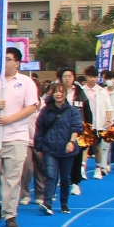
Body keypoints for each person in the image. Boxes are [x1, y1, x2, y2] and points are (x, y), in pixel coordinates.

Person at [0, 47, 41, 227]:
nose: (4, 62)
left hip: (17, 136)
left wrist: (10, 119)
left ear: (17, 63)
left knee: (13, 177)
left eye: (8, 59)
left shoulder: (26, 82)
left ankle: (10, 214)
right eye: (2, 58)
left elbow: (31, 107)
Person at [34, 81, 83, 215]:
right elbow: (40, 129)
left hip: (67, 149)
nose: (58, 94)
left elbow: (77, 127)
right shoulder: (46, 111)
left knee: (65, 177)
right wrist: (39, 147)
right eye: (56, 91)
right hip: (49, 148)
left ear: (65, 94)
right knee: (50, 175)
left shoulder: (72, 111)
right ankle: (47, 203)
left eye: (61, 92)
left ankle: (64, 203)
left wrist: (71, 142)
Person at [93, 72, 114, 175]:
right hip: (105, 122)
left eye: (111, 78)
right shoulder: (101, 91)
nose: (109, 81)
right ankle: (104, 166)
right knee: (104, 146)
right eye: (107, 78)